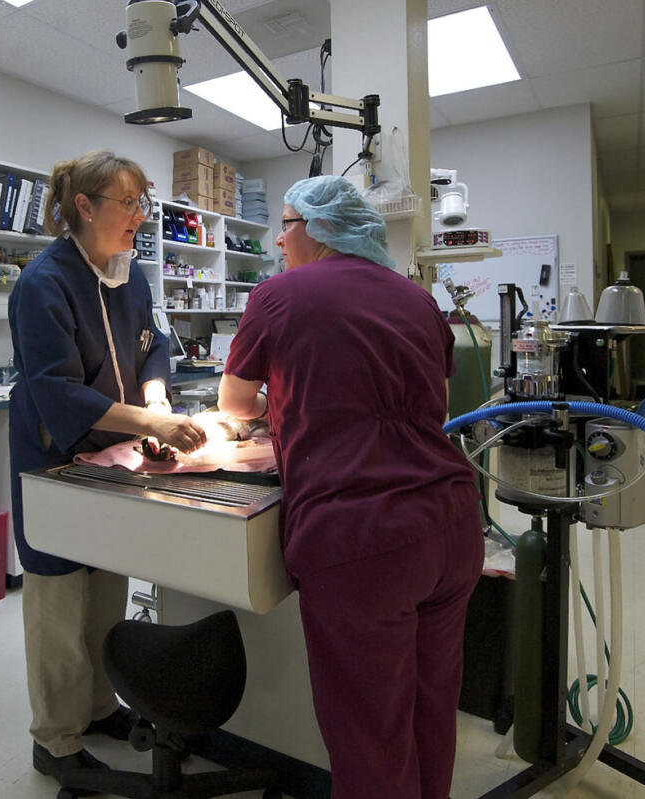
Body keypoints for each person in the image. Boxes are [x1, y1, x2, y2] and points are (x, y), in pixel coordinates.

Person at [217, 175, 484, 799]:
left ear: (313, 226)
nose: (279, 241)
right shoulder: (419, 301)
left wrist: (278, 410)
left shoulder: (279, 296)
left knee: (370, 737)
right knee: (429, 712)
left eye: (284, 225)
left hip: (362, 541)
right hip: (451, 523)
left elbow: (235, 400)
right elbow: (432, 403)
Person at [7, 150, 207, 786]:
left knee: (104, 593)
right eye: (130, 203)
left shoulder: (130, 275)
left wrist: (154, 396)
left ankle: (97, 709)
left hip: (116, 453)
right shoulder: (43, 283)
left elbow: (154, 345)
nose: (140, 217)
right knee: (59, 604)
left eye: (143, 204)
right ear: (85, 207)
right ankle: (57, 740)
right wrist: (149, 424)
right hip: (56, 457)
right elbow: (56, 390)